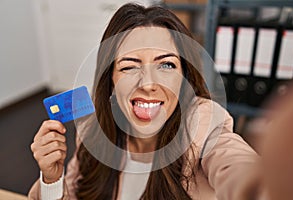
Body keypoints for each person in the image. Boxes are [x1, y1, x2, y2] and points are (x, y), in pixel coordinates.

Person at [28, 3, 262, 200]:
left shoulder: (204, 126)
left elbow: (237, 166)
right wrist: (51, 179)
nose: (148, 84)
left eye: (166, 65)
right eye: (129, 66)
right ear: (110, 81)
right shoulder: (92, 127)